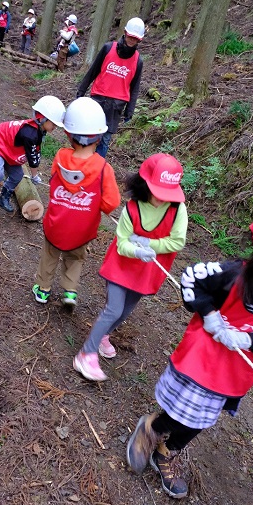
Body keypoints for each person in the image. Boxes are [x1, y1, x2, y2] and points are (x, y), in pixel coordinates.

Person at [126, 210, 253, 499]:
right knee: (187, 407)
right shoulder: (235, 273)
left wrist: (247, 339)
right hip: (205, 354)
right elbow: (191, 279)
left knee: (205, 416)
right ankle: (152, 428)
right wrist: (210, 315)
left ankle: (166, 452)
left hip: (237, 366)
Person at [73, 153, 187, 382]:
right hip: (121, 266)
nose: (162, 199)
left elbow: (178, 241)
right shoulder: (132, 208)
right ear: (144, 184)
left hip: (146, 272)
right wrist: (136, 250)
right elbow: (122, 242)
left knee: (125, 311)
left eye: (167, 194)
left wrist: (149, 244)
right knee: (114, 309)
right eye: (158, 193)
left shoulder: (178, 210)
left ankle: (104, 335)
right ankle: (86, 353)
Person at [32, 97, 121, 309]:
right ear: (99, 137)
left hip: (56, 224)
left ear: (68, 133)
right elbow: (111, 203)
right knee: (75, 259)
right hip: (82, 230)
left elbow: (54, 181)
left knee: (50, 255)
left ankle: (43, 290)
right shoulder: (103, 168)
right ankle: (70, 292)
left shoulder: (60, 157)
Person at [0, 95, 65, 221]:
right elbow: (32, 158)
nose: (55, 127)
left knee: (17, 176)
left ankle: (3, 198)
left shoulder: (38, 132)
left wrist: (35, 174)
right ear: (43, 118)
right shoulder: (30, 134)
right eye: (54, 124)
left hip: (9, 149)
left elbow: (36, 153)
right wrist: (34, 176)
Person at [76, 17, 145, 158]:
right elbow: (93, 71)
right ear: (125, 33)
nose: (132, 40)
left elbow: (135, 87)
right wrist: (81, 90)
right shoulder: (108, 48)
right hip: (98, 99)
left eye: (135, 39)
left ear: (139, 40)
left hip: (116, 105)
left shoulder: (138, 60)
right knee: (89, 133)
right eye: (130, 37)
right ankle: (81, 160)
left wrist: (129, 111)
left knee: (105, 140)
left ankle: (96, 169)